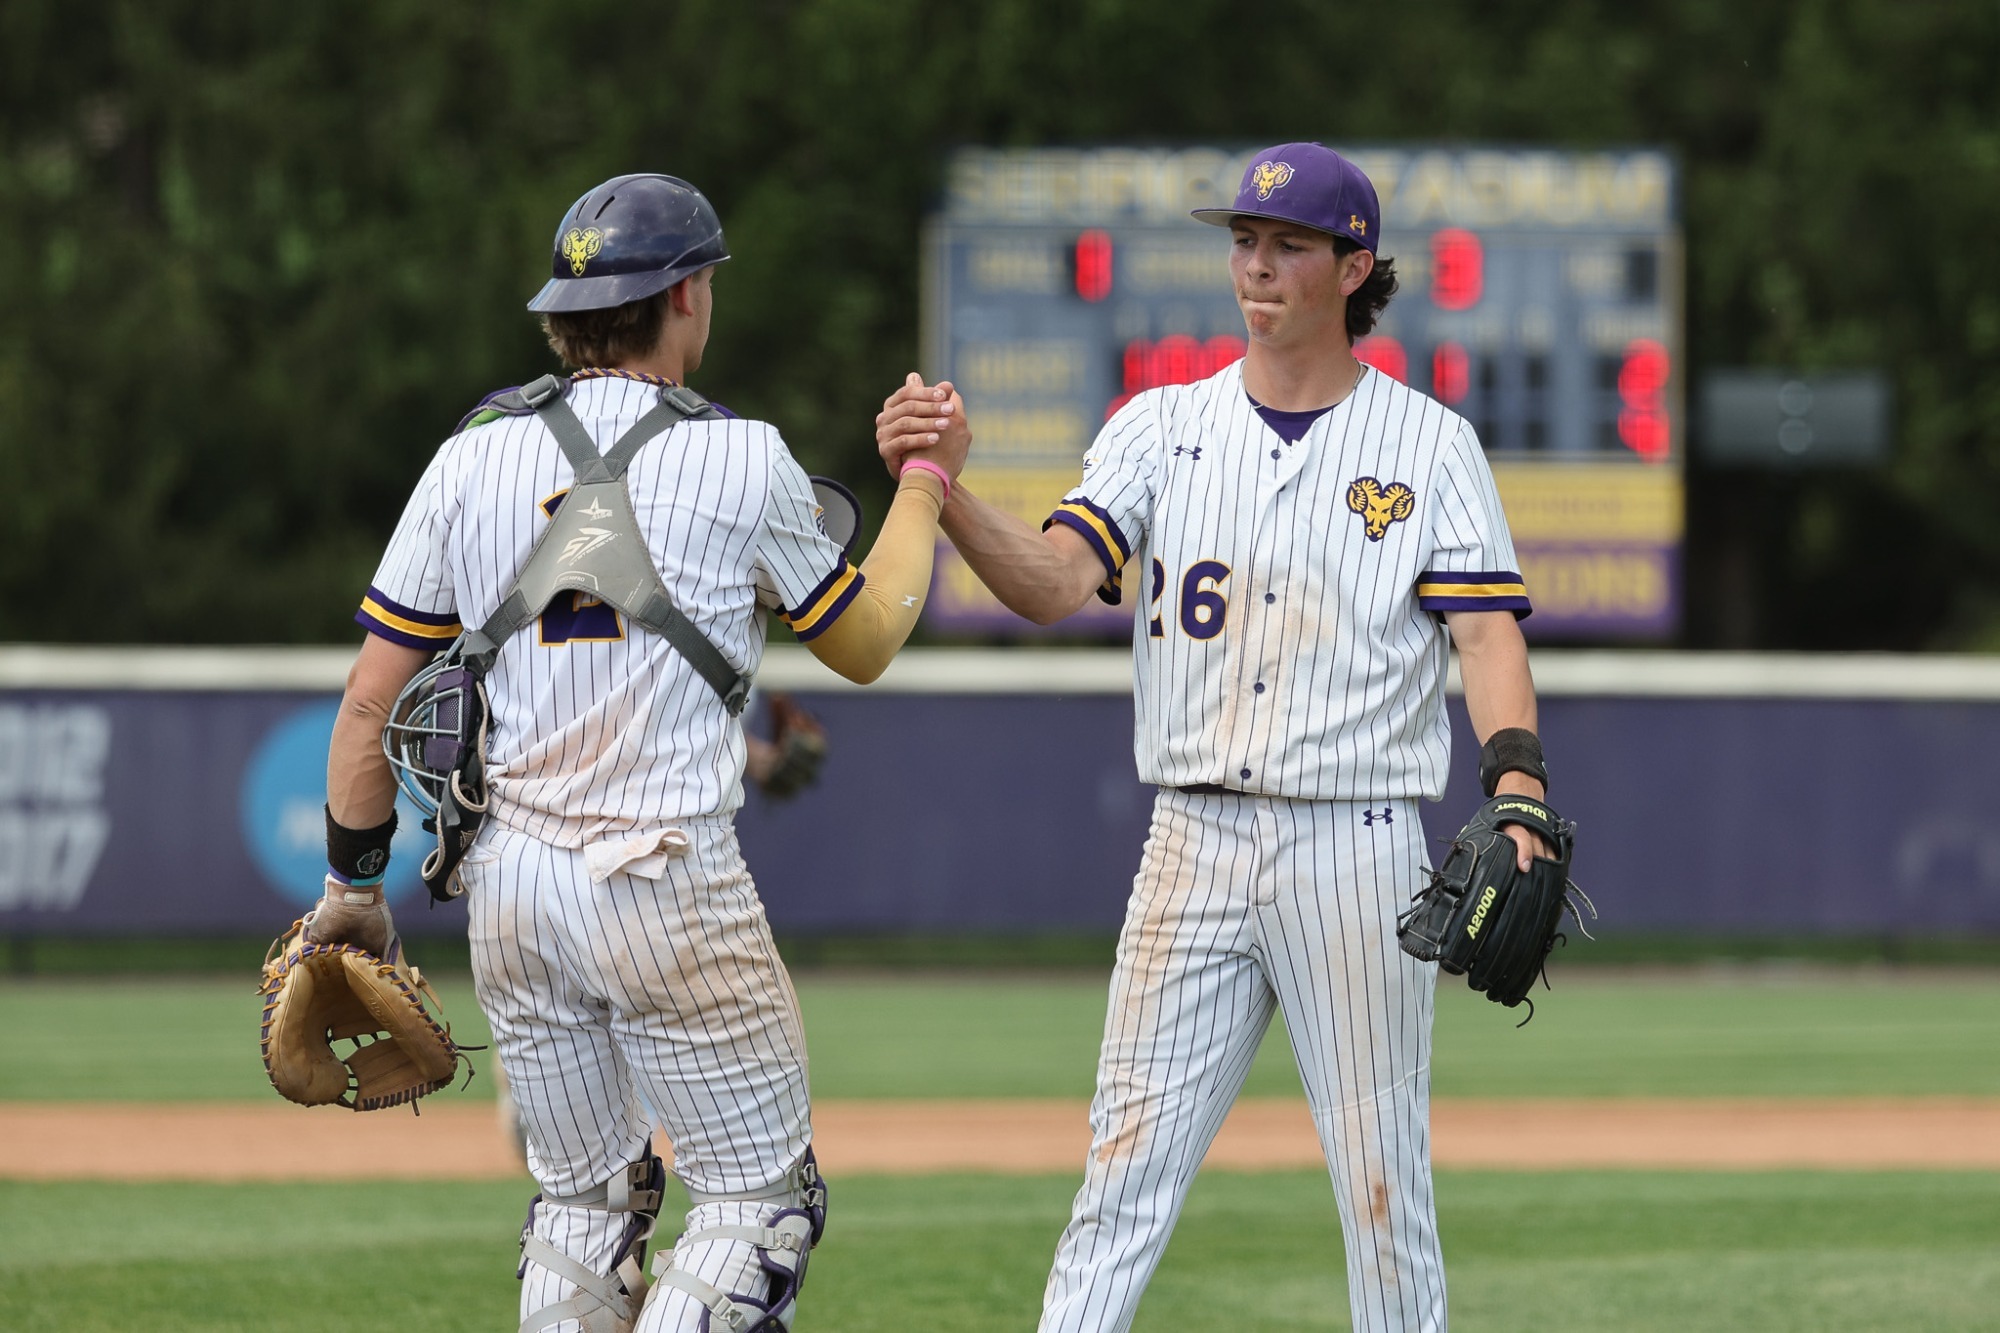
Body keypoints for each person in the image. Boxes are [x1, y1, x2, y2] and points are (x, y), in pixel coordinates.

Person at [878, 142, 1548, 1333]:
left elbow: (1486, 637)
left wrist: (1517, 793)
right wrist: (941, 486)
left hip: (1356, 841)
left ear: (1353, 268)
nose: (1254, 264)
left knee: (1381, 1184)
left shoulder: (1428, 443)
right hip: (1189, 834)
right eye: (1242, 241)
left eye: (1286, 244)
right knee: (1120, 1172)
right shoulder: (1160, 427)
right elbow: (1046, 584)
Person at [307, 172, 964, 1333]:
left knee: (581, 1200)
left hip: (510, 887)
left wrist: (351, 886)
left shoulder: (470, 455)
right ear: (684, 298)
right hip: (665, 877)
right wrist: (922, 480)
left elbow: (370, 704)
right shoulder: (745, 457)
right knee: (759, 1200)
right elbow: (865, 641)